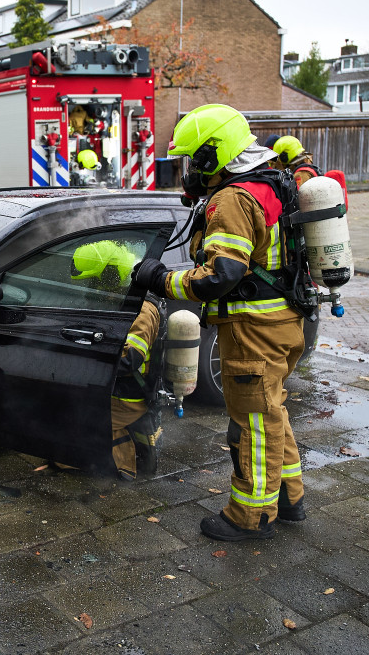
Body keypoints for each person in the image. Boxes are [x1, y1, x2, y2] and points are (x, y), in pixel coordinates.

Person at [132, 104, 306, 542]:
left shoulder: (233, 197)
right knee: (272, 411)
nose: (191, 171)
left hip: (254, 331)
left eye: (195, 161)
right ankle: (290, 497)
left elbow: (219, 276)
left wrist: (161, 279)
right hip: (282, 322)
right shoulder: (272, 181)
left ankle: (251, 516)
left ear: (214, 154)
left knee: (253, 423)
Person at [69, 240, 164, 478]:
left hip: (129, 395)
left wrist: (84, 355)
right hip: (111, 387)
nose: (93, 287)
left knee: (73, 423)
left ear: (111, 274)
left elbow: (128, 360)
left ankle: (123, 465)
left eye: (96, 281)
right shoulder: (118, 299)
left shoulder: (143, 310)